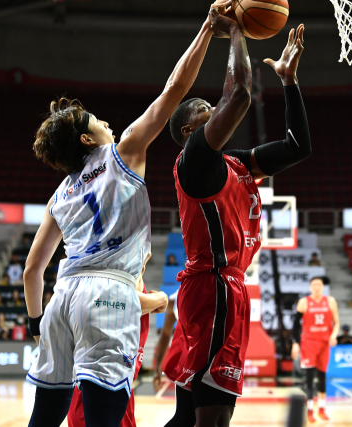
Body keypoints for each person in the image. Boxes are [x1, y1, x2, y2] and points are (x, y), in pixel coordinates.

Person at [23, 2, 225, 425]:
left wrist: (36, 321)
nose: (106, 122)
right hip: (109, 294)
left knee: (44, 417)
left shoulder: (60, 194)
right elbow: (174, 89)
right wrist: (207, 27)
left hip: (62, 296)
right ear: (86, 136)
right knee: (105, 417)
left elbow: (31, 271)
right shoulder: (123, 152)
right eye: (96, 119)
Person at [163, 13, 310, 426]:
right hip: (214, 288)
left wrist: (289, 82)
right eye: (208, 109)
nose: (217, 109)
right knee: (212, 417)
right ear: (192, 128)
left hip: (220, 288)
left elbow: (298, 147)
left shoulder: (236, 163)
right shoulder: (193, 161)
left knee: (189, 416)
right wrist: (236, 30)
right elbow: (241, 94)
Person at [67, 280, 151, 427]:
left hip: (93, 381)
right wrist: (161, 299)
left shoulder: (79, 283)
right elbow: (129, 303)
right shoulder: (115, 285)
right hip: (109, 381)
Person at [291, 277, 340, 423]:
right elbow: (295, 325)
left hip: (324, 343)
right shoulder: (304, 302)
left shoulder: (330, 301)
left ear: (323, 286)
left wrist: (334, 335)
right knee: (310, 378)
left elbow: (336, 323)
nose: (317, 287)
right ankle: (310, 410)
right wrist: (295, 343)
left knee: (322, 376)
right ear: (310, 287)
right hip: (309, 344)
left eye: (319, 284)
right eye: (314, 284)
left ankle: (322, 409)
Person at [153, 290, 179, 392]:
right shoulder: (175, 299)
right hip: (186, 367)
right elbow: (165, 334)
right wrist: (157, 367)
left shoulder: (217, 290)